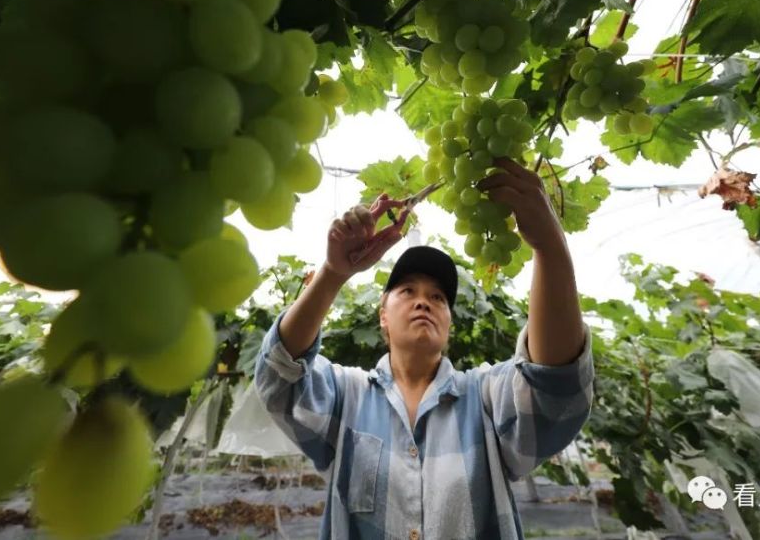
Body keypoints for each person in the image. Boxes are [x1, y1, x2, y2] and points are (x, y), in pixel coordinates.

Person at [254, 157, 595, 540]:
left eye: (438, 297)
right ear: (383, 315)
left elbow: (554, 390)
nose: (424, 301)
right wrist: (333, 274)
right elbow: (278, 376)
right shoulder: (344, 395)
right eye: (407, 291)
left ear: (449, 323)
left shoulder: (484, 398)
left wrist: (549, 247)